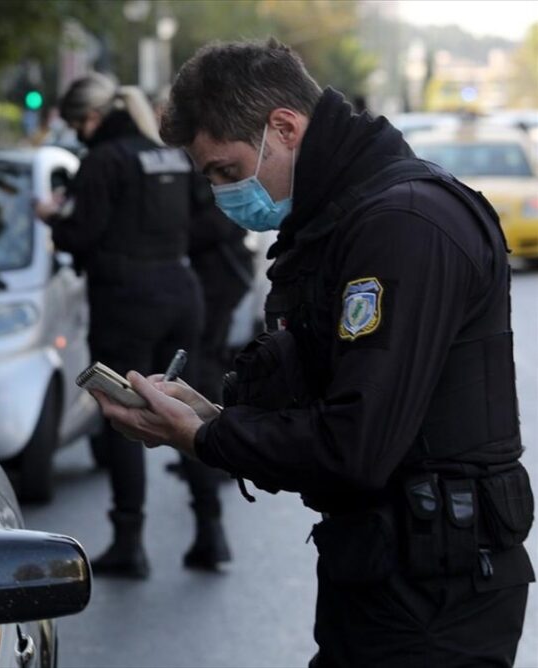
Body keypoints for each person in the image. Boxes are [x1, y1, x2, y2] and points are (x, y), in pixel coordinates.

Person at [93, 39, 532, 666]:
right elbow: (334, 404)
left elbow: (357, 446)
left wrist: (205, 438)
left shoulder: (403, 226)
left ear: (285, 127)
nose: (222, 194)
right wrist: (212, 417)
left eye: (227, 170)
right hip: (388, 576)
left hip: (435, 602)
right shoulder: (348, 219)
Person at [36, 73, 209, 579]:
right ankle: (210, 530)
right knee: (190, 410)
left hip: (125, 299)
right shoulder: (170, 155)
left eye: (76, 124)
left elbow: (81, 235)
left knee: (123, 414)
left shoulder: (104, 160)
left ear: (91, 117)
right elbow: (205, 220)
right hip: (180, 289)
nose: (78, 133)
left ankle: (129, 542)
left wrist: (52, 219)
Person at [176, 204, 254, 570]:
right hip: (204, 280)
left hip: (206, 281)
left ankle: (209, 523)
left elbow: (218, 222)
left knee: (190, 391)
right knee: (193, 385)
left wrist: (166, 236)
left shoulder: (203, 183)